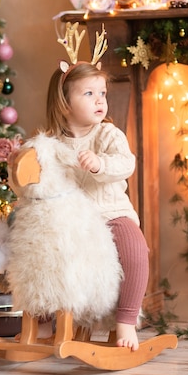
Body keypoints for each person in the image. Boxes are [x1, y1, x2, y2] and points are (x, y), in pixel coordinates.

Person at [43, 60, 150, 351]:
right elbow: (38, 176)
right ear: (65, 103)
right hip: (73, 220)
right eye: (88, 94)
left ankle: (126, 319)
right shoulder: (52, 142)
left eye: (102, 93)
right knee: (47, 253)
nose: (99, 100)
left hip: (110, 212)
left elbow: (126, 163)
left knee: (136, 252)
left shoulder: (108, 134)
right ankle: (52, 318)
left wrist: (100, 164)